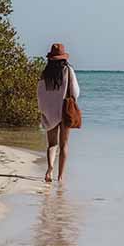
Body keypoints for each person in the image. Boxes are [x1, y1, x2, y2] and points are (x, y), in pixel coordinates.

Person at [37, 43, 80, 183]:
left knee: (51, 144)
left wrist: (43, 109)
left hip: (50, 111)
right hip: (64, 110)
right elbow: (75, 91)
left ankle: (50, 168)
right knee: (64, 145)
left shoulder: (45, 72)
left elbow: (40, 93)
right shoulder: (68, 70)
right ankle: (60, 176)